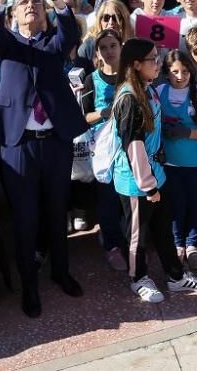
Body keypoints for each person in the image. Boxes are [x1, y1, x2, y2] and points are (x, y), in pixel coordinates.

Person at [0, 0, 88, 318]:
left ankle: (61, 272)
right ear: (14, 14)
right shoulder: (6, 44)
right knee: (25, 217)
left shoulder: (53, 44)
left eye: (36, 3)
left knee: (57, 209)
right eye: (24, 3)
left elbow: (70, 32)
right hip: (18, 145)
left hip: (55, 141)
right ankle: (29, 284)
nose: (31, 6)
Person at [111, 38, 197, 302]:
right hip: (137, 182)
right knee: (138, 234)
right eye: (152, 59)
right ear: (136, 64)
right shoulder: (129, 98)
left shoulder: (148, 89)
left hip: (158, 173)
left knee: (163, 229)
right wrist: (149, 186)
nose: (158, 63)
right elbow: (133, 146)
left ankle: (176, 277)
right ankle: (138, 278)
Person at [157, 49, 197, 270]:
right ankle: (177, 243)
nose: (179, 76)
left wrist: (187, 133)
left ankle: (192, 244)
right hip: (170, 162)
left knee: (193, 202)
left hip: (196, 162)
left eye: (184, 71)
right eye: (174, 72)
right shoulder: (160, 90)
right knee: (175, 203)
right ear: (166, 72)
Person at [77, 29, 128, 270]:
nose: (109, 51)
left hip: (131, 146)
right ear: (97, 53)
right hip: (103, 150)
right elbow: (84, 117)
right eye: (104, 48)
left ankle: (131, 240)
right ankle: (112, 245)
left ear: (121, 47)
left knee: (129, 197)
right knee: (107, 198)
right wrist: (104, 114)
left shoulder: (131, 75)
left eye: (113, 46)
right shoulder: (92, 79)